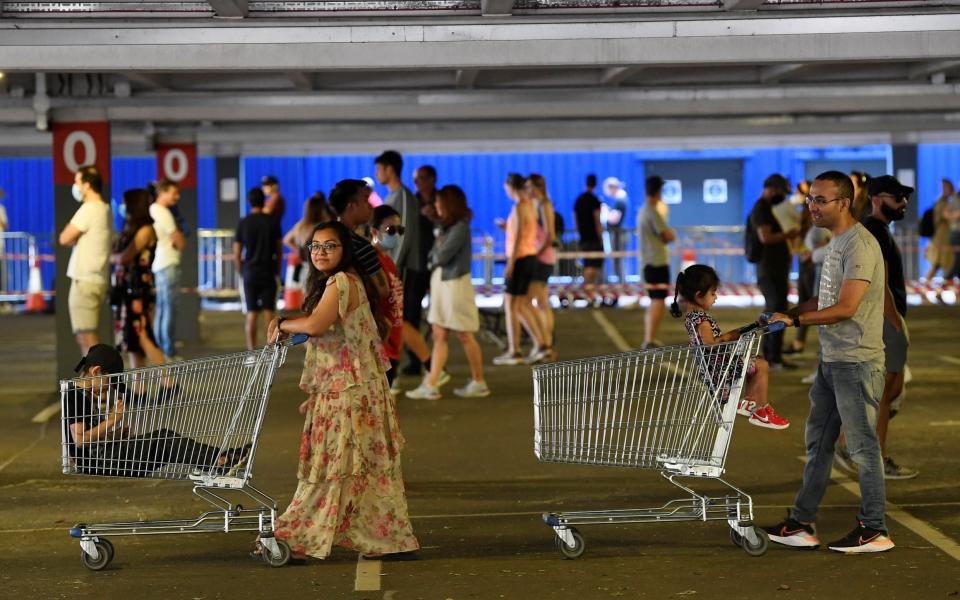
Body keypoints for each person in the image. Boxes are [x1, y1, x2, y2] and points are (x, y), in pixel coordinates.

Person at [264, 221, 419, 561]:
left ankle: (297, 536)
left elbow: (316, 324)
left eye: (329, 246)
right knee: (364, 465)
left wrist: (281, 323)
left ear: (345, 250)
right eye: (315, 246)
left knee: (330, 465)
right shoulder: (342, 282)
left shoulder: (342, 281)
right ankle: (386, 537)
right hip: (353, 389)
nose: (320, 252)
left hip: (349, 392)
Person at [764, 170, 892, 554]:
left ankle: (874, 528)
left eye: (821, 200)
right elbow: (824, 301)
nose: (812, 207)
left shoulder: (860, 246)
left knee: (863, 448)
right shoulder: (835, 242)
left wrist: (797, 321)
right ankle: (802, 522)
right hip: (832, 359)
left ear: (844, 203)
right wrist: (785, 313)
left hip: (855, 362)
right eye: (810, 200)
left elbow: (846, 308)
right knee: (818, 443)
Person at [64, 344, 249, 477]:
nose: (110, 387)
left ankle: (222, 458)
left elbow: (90, 438)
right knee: (165, 440)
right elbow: (80, 440)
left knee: (164, 440)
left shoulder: (85, 395)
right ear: (96, 372)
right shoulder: (75, 395)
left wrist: (115, 434)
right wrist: (111, 421)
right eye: (110, 381)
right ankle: (221, 461)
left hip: (107, 454)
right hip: (100, 462)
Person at [837, 175, 917, 479]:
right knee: (884, 393)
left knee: (886, 390)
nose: (903, 203)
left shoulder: (875, 230)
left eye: (905, 198)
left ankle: (848, 444)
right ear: (877, 199)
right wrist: (895, 321)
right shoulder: (875, 231)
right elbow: (878, 280)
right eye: (897, 198)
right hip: (884, 320)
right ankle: (877, 458)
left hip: (882, 319)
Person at [670, 264, 789, 429]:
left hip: (715, 368)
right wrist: (726, 337)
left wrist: (746, 329)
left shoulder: (692, 317)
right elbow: (709, 344)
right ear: (698, 296)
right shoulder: (701, 318)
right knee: (761, 365)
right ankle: (762, 410)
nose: (716, 297)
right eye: (712, 293)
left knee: (757, 361)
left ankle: (748, 402)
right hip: (720, 369)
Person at [406, 185, 491, 400]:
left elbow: (440, 256)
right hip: (444, 285)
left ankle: (478, 381)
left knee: (464, 334)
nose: (436, 206)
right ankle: (432, 382)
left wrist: (432, 258)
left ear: (449, 204)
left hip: (454, 286)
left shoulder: (460, 228)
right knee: (439, 334)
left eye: (439, 203)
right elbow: (437, 253)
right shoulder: (448, 226)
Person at [376, 150, 432, 377]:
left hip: (405, 268)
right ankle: (405, 366)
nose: (377, 174)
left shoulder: (404, 196)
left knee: (401, 320)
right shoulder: (391, 197)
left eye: (379, 169)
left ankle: (428, 365)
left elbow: (404, 234)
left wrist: (392, 268)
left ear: (390, 169)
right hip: (396, 267)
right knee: (399, 319)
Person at [493, 173, 548, 366]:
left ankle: (514, 349)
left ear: (511, 187)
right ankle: (540, 344)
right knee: (521, 305)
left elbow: (517, 239)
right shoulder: (530, 206)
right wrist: (508, 227)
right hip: (530, 256)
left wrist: (510, 263)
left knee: (511, 305)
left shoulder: (518, 207)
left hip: (519, 258)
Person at [59, 165, 114, 355]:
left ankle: (98, 382)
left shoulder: (89, 208)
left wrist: (72, 232)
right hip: (97, 279)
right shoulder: (105, 209)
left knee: (87, 338)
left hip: (85, 281)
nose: (75, 186)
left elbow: (64, 238)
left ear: (87, 185)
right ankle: (93, 382)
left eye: (77, 182)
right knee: (86, 336)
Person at [110, 188, 166, 369]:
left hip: (138, 290)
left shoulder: (146, 230)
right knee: (133, 341)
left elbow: (126, 256)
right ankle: (139, 390)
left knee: (142, 335)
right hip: (127, 289)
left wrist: (112, 257)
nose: (123, 207)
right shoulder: (131, 228)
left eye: (126, 203)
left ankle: (169, 382)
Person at [749, 174, 800, 370]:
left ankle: (773, 357)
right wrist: (789, 234)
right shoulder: (761, 208)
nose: (783, 197)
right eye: (781, 192)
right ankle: (772, 358)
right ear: (772, 189)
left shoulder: (767, 207)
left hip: (775, 269)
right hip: (769, 270)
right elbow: (765, 237)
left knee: (778, 310)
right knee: (775, 311)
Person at [234, 188, 283, 350]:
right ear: (264, 201)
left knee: (251, 313)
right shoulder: (272, 222)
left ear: (249, 202)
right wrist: (277, 270)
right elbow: (279, 250)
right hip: (268, 270)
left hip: (250, 271)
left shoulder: (243, 222)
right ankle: (270, 350)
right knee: (269, 312)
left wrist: (241, 272)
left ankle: (251, 352)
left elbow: (236, 253)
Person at [327, 179, 391, 301]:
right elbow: (383, 290)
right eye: (366, 200)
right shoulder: (361, 246)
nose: (370, 205)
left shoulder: (324, 239)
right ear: (351, 206)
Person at [369, 205, 406, 389]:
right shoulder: (373, 262)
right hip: (382, 346)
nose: (397, 234)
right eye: (391, 230)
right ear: (375, 231)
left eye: (400, 230)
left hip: (393, 345)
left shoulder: (389, 261)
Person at [638, 175, 675, 350]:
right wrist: (670, 234)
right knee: (658, 301)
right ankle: (650, 339)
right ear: (659, 191)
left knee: (654, 300)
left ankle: (649, 337)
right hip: (657, 262)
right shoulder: (653, 211)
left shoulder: (643, 210)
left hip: (647, 262)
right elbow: (667, 236)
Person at [150, 179, 185, 361]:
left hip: (159, 264)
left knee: (162, 309)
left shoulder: (153, 210)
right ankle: (168, 351)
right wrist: (180, 241)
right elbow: (179, 240)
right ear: (162, 192)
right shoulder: (163, 212)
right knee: (169, 309)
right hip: (168, 263)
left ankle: (161, 349)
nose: (176, 197)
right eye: (174, 192)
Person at [525, 173, 557, 363]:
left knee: (529, 302)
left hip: (541, 257)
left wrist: (535, 254)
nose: (527, 190)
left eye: (529, 186)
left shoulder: (544, 205)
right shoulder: (539, 205)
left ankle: (543, 344)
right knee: (542, 303)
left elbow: (549, 235)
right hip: (544, 256)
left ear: (537, 187)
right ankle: (547, 345)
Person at [283, 192, 333, 307]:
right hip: (320, 269)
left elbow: (287, 239)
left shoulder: (301, 226)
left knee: (308, 301)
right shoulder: (323, 227)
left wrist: (300, 251)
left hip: (305, 268)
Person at [925, 179, 956, 294]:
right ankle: (932, 288)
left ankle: (937, 289)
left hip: (942, 238)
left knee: (943, 265)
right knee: (942, 264)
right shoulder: (942, 203)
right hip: (941, 239)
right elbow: (946, 216)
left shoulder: (943, 202)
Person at [574, 174, 604, 286]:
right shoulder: (595, 200)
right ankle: (589, 289)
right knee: (593, 265)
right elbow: (597, 220)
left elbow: (576, 219)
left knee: (587, 264)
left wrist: (580, 234)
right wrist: (600, 236)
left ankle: (588, 288)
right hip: (593, 238)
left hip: (583, 237)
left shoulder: (579, 200)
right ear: (595, 184)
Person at [602, 176, 629, 283]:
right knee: (617, 261)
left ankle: (622, 285)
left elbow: (614, 219)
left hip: (619, 235)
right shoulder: (620, 199)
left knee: (618, 261)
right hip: (618, 234)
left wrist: (605, 211)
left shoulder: (620, 200)